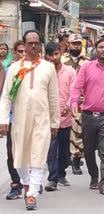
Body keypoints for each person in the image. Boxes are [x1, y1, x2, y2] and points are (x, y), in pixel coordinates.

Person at [0, 30, 60, 210]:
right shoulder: (14, 69)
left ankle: (32, 193)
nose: (33, 45)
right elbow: (5, 97)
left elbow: (53, 98)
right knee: (19, 156)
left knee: (38, 156)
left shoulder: (48, 68)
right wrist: (3, 119)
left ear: (40, 45)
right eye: (30, 43)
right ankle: (25, 183)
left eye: (36, 42)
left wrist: (54, 122)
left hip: (42, 120)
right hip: (19, 120)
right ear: (24, 46)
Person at [70, 38, 104, 195]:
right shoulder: (86, 67)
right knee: (88, 150)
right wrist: (74, 102)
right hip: (88, 115)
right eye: (101, 47)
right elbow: (77, 87)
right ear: (96, 50)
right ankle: (94, 177)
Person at [44, 42, 76, 191]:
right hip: (48, 117)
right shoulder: (43, 72)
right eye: (50, 55)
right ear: (46, 56)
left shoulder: (69, 71)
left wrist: (68, 106)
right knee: (51, 148)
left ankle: (61, 173)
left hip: (65, 116)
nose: (54, 57)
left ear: (60, 54)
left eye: (56, 54)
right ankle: (53, 178)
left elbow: (74, 91)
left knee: (63, 149)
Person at [62, 33, 90, 175]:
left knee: (78, 132)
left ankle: (76, 161)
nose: (76, 46)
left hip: (80, 102)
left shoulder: (87, 62)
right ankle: (64, 158)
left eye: (78, 44)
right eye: (73, 44)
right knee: (64, 131)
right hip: (63, 101)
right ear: (69, 45)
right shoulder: (61, 60)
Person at [4, 41, 25, 200]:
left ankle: (30, 182)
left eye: (25, 51)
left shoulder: (39, 70)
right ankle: (16, 183)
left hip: (32, 118)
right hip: (13, 119)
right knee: (12, 152)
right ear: (15, 52)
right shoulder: (9, 71)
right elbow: (4, 96)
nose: (22, 55)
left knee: (31, 153)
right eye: (19, 51)